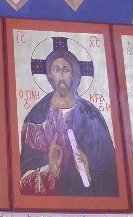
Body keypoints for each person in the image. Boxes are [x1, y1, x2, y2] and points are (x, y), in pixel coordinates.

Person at [19, 46, 118, 197]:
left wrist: (88, 173)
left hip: (84, 199)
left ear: (73, 75)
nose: (61, 75)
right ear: (50, 76)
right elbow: (23, 177)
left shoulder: (91, 115)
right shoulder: (36, 119)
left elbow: (110, 170)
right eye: (56, 69)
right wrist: (51, 169)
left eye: (66, 69)